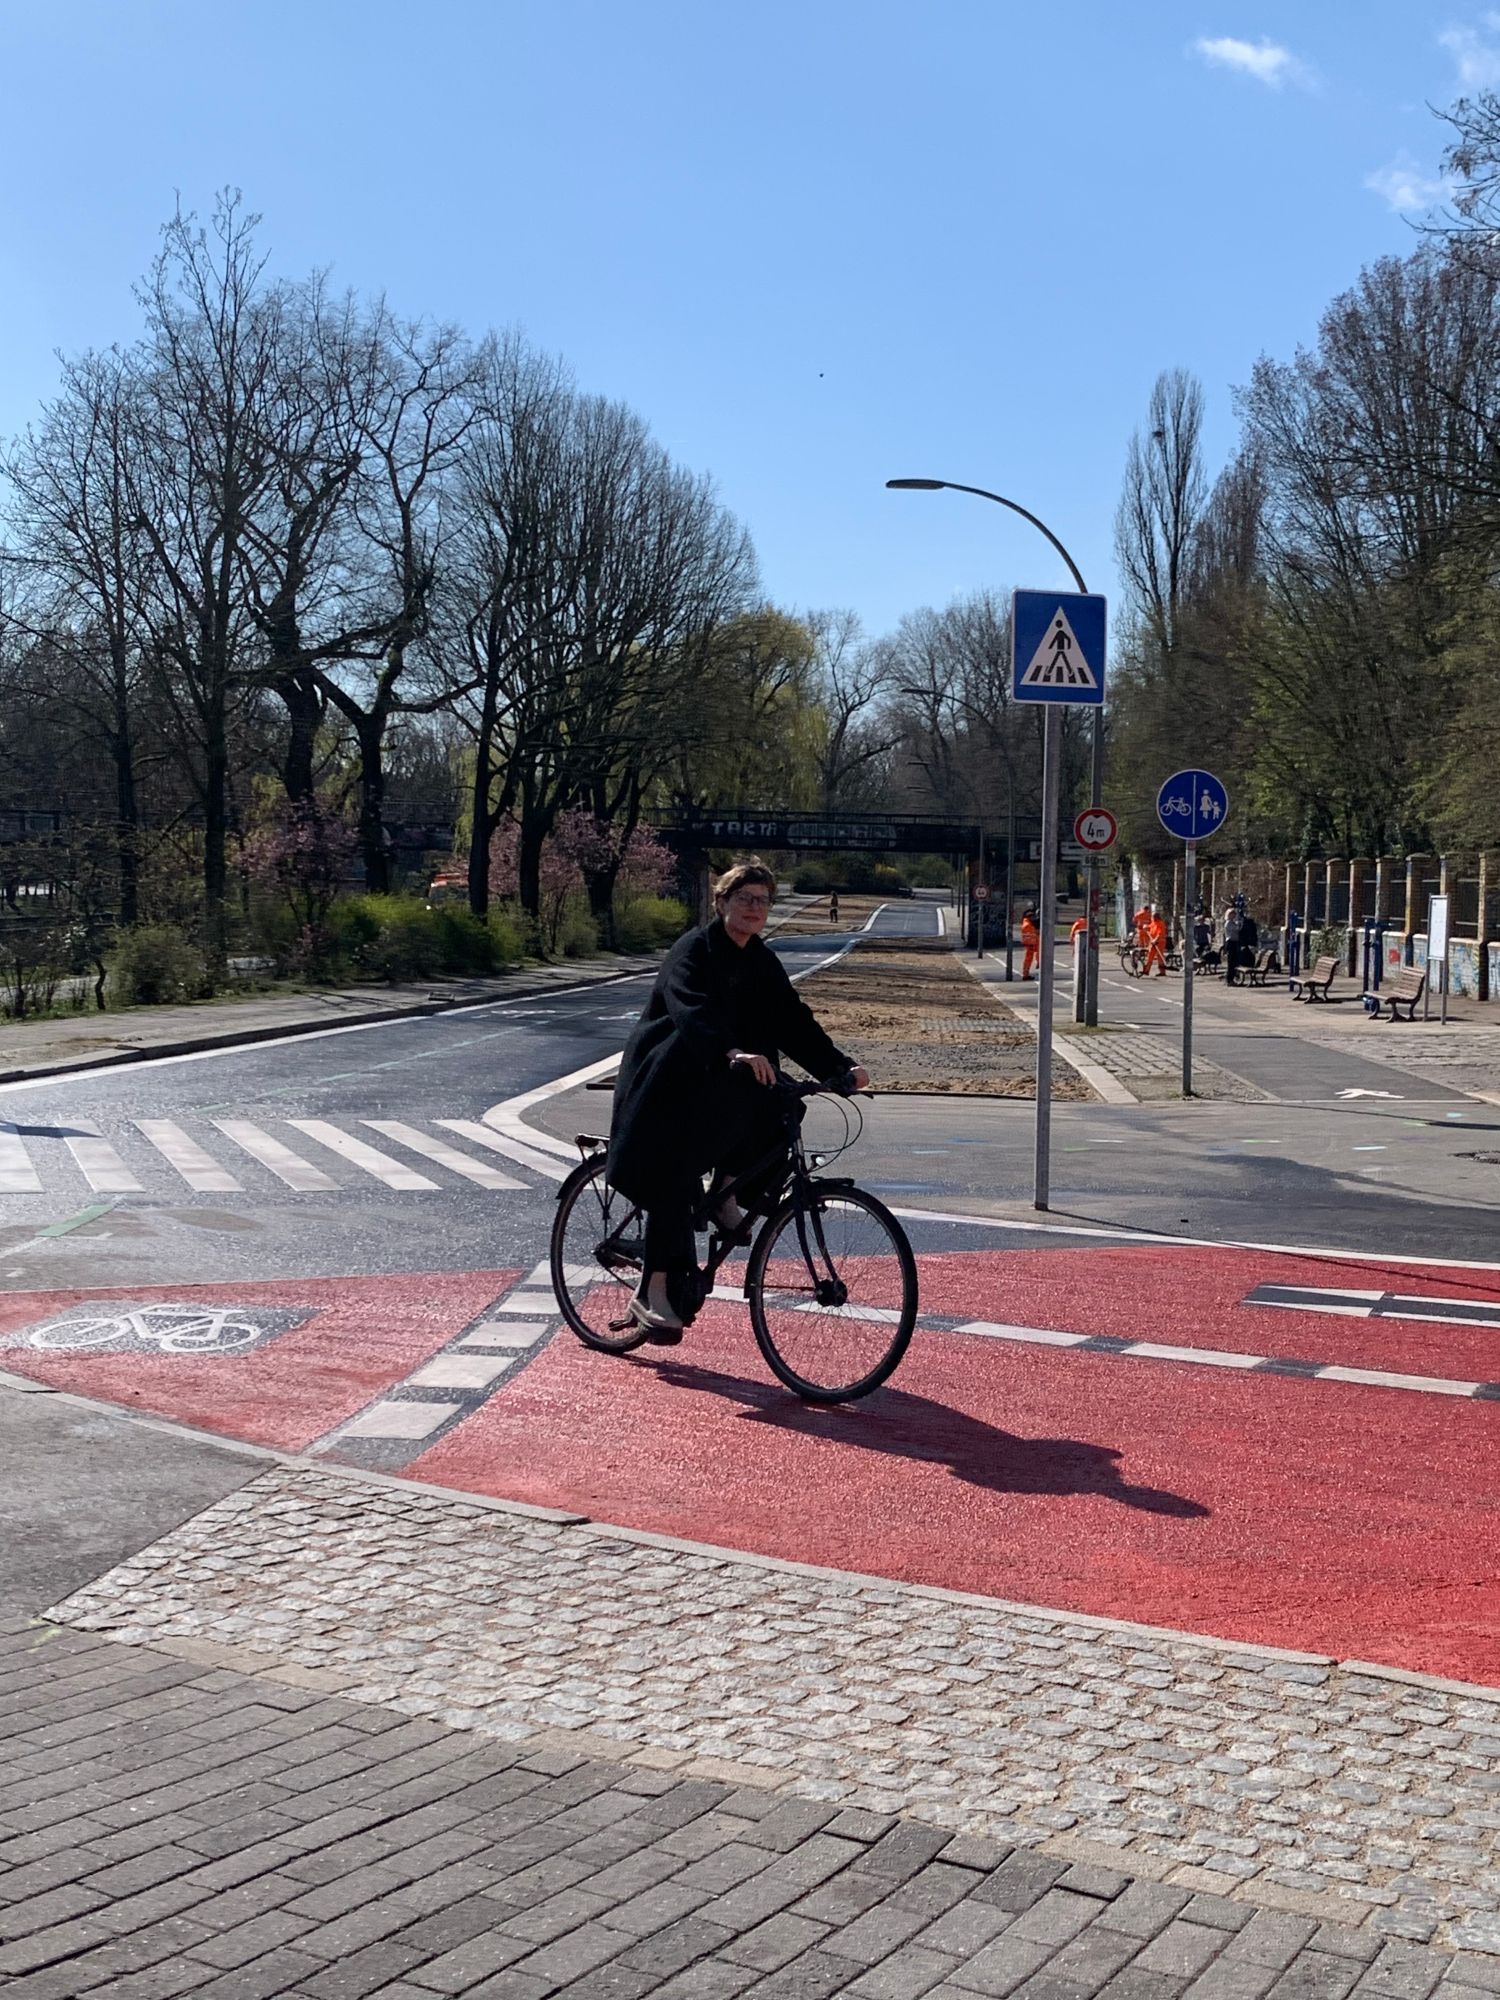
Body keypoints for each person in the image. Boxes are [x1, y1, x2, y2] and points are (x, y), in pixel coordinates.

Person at [606, 860, 870, 1341]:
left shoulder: (760, 959)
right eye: (745, 898)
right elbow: (690, 1009)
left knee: (785, 1105)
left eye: (763, 901)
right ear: (722, 902)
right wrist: (732, 1050)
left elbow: (792, 1020)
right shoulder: (694, 949)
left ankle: (726, 1194)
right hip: (666, 1083)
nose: (755, 908)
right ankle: (653, 1292)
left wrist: (839, 1067)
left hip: (719, 1078)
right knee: (673, 1176)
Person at [1144, 904, 1169, 977]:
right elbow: (1149, 927)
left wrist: (1156, 939)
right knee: (1150, 956)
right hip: (1153, 942)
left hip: (1160, 942)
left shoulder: (1161, 924)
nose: (1153, 918)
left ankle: (1162, 972)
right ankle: (1146, 970)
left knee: (1160, 957)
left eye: (1154, 917)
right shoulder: (1153, 923)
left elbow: (1160, 933)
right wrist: (1145, 927)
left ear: (1157, 917)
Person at [1020, 906, 1041, 979]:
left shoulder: (1027, 923)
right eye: (1032, 916)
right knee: (1028, 959)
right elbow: (1032, 935)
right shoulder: (1028, 925)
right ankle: (1025, 974)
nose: (1034, 918)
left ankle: (1026, 973)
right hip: (1031, 944)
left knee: (1029, 959)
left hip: (1030, 944)